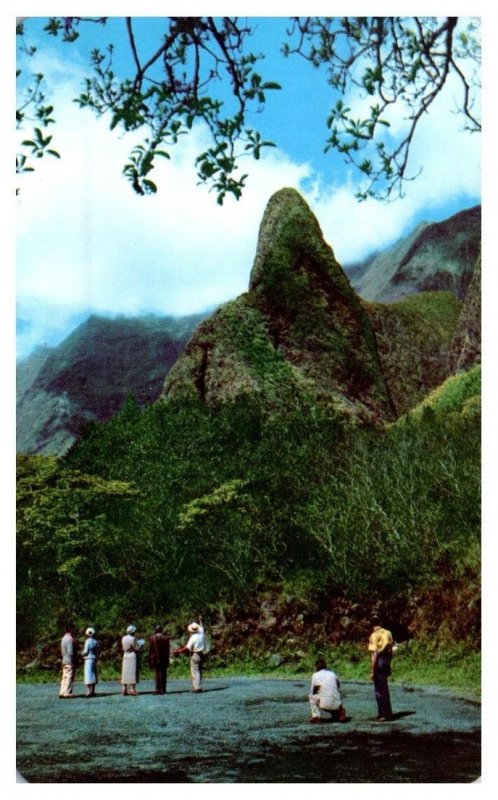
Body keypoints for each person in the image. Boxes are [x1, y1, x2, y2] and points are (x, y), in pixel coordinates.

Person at [368, 615, 394, 721]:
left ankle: (383, 714)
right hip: (387, 660)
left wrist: (372, 670)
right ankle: (388, 712)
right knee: (385, 688)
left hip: (379, 660)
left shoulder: (373, 635)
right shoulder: (388, 632)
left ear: (372, 624)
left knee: (379, 689)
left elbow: (374, 654)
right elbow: (391, 649)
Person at [173, 615, 206, 693]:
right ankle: (199, 685)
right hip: (201, 654)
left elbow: (187, 648)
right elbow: (201, 627)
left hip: (195, 654)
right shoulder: (201, 633)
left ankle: (196, 687)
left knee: (195, 671)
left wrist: (178, 651)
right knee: (199, 671)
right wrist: (200, 620)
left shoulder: (193, 637)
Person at [309, 658, 346, 723]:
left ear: (316, 667)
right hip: (336, 703)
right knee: (336, 693)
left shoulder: (315, 675)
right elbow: (338, 686)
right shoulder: (332, 674)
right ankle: (340, 712)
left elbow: (313, 691)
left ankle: (316, 717)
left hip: (324, 704)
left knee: (311, 696)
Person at [148, 624, 171, 695]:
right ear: (161, 630)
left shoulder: (152, 638)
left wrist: (149, 659)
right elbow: (168, 649)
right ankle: (164, 689)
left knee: (157, 674)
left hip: (156, 658)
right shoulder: (166, 638)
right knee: (164, 674)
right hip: (164, 658)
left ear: (155, 630)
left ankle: (158, 689)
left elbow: (150, 650)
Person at [121, 624, 143, 696]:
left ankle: (124, 689)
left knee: (125, 673)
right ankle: (132, 689)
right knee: (132, 673)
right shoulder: (133, 639)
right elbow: (136, 648)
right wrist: (140, 645)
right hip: (132, 656)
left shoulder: (123, 638)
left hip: (125, 656)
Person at [59, 625, 77, 698]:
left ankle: (62, 691)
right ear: (71, 630)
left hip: (64, 659)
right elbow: (71, 652)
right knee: (69, 676)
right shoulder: (70, 639)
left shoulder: (63, 638)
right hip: (70, 660)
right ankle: (67, 692)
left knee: (64, 676)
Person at [82, 627, 99, 698]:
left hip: (88, 659)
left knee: (88, 674)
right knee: (93, 674)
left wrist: (81, 653)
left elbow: (86, 651)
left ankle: (89, 691)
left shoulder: (87, 641)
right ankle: (93, 691)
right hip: (94, 658)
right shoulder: (96, 641)